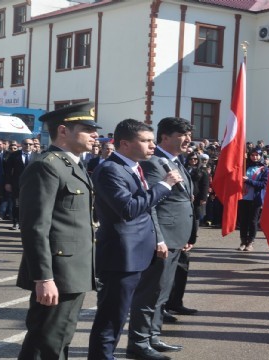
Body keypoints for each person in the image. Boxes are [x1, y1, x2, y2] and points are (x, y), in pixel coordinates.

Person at [87, 119, 181, 360]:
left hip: (138, 250)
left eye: (152, 140)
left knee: (121, 312)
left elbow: (145, 209)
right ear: (125, 144)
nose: (152, 145)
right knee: (112, 316)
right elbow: (128, 208)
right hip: (121, 254)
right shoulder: (110, 169)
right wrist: (164, 185)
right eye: (146, 140)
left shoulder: (134, 166)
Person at [16, 102, 99, 360]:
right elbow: (35, 227)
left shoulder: (72, 164)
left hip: (73, 271)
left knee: (58, 338)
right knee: (46, 341)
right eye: (87, 129)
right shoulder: (47, 165)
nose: (95, 135)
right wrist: (43, 278)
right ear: (63, 131)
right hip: (57, 273)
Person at [126, 117, 194, 360]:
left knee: (162, 293)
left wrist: (189, 235)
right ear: (165, 136)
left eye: (189, 134)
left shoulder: (174, 161)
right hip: (162, 238)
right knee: (149, 294)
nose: (188, 139)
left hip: (177, 238)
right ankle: (139, 342)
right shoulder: (154, 164)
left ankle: (152, 337)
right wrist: (159, 238)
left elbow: (184, 201)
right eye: (182, 134)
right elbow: (151, 205)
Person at [163, 152, 208, 318]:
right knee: (166, 274)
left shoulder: (184, 166)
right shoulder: (163, 163)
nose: (194, 161)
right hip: (171, 228)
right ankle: (163, 307)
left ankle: (176, 302)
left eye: (196, 159)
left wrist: (191, 235)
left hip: (187, 221)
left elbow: (196, 193)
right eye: (192, 158)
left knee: (182, 267)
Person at [237, 149, 268, 251]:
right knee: (243, 221)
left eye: (257, 155)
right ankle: (243, 241)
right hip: (243, 198)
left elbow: (263, 184)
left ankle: (250, 242)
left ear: (260, 156)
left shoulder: (264, 169)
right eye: (252, 155)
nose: (254, 157)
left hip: (255, 199)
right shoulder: (245, 166)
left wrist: (248, 181)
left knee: (252, 221)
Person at [4, 138, 35, 230]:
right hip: (17, 185)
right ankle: (16, 222)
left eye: (30, 144)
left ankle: (28, 223)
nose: (28, 146)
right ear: (21, 145)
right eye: (26, 144)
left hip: (33, 186)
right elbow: (8, 171)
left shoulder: (37, 156)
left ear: (33, 145)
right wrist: (8, 183)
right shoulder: (14, 155)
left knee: (30, 205)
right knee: (16, 204)